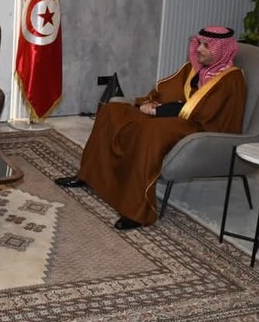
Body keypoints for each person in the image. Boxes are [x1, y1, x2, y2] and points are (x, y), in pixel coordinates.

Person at [55, 26, 247, 230]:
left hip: (200, 129)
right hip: (175, 116)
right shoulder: (196, 68)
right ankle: (89, 175)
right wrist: (153, 104)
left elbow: (207, 113)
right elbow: (172, 92)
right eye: (199, 43)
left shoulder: (231, 80)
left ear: (221, 50)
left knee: (150, 132)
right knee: (112, 111)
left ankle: (136, 211)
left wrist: (160, 111)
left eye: (206, 46)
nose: (199, 49)